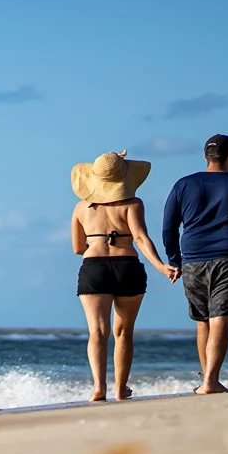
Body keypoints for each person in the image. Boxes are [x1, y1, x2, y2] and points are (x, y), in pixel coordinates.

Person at [162, 134, 228, 395]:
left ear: (205, 156)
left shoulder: (183, 184)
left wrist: (174, 260)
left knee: (203, 321)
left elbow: (169, 226)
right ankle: (210, 381)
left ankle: (207, 380)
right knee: (221, 318)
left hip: (193, 260)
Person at [70, 150, 176, 401]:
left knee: (97, 332)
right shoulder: (133, 203)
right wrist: (161, 266)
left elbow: (77, 248)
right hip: (127, 265)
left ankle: (99, 388)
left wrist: (96, 247)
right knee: (123, 332)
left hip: (94, 267)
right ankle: (120, 389)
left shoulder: (81, 207)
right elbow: (140, 238)